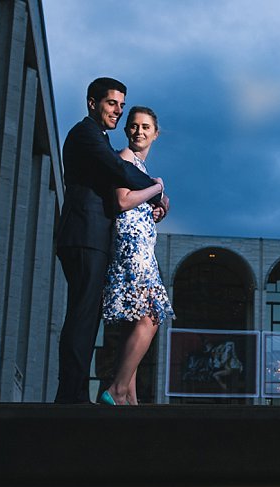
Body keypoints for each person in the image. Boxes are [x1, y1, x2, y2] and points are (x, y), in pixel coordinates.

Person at [54, 78, 167, 404]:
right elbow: (119, 172)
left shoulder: (98, 137)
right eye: (111, 104)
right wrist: (157, 188)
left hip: (91, 236)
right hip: (84, 235)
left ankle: (106, 393)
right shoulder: (87, 134)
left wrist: (152, 201)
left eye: (121, 104)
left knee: (88, 318)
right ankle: (74, 397)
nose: (118, 110)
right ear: (92, 103)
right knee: (83, 318)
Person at [100, 107, 175, 405]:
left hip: (142, 246)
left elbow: (135, 204)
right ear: (126, 130)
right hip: (132, 249)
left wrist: (154, 208)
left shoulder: (139, 168)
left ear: (155, 134)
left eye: (145, 127)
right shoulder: (125, 158)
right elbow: (122, 200)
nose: (138, 131)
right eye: (133, 126)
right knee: (151, 316)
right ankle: (117, 390)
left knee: (136, 323)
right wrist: (157, 188)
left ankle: (129, 396)